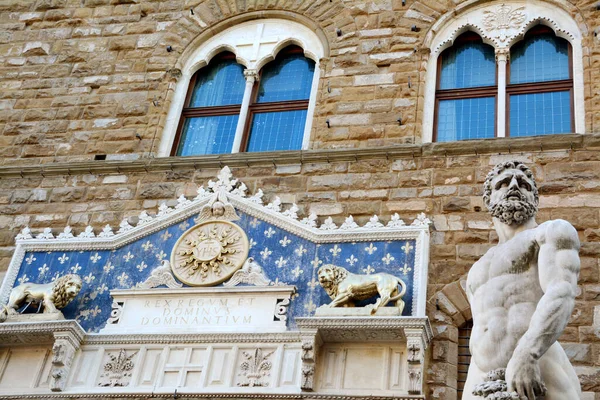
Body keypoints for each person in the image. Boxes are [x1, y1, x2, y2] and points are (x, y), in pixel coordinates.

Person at [464, 161, 581, 400]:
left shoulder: (551, 232)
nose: (515, 185)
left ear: (535, 200)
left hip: (538, 367)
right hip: (481, 379)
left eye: (525, 184)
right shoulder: (476, 269)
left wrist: (527, 354)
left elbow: (561, 292)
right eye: (504, 183)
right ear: (489, 200)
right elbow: (480, 328)